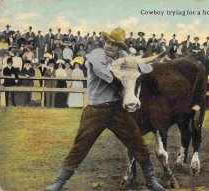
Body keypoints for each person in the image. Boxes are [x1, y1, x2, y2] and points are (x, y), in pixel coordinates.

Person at [45, 27, 164, 191]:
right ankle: (59, 182)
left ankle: (151, 179)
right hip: (96, 109)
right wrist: (124, 66)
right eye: (108, 42)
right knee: (80, 146)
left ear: (120, 48)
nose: (109, 46)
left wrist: (134, 64)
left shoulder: (123, 57)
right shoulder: (96, 55)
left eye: (114, 44)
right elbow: (105, 73)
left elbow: (148, 69)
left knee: (137, 142)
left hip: (117, 109)